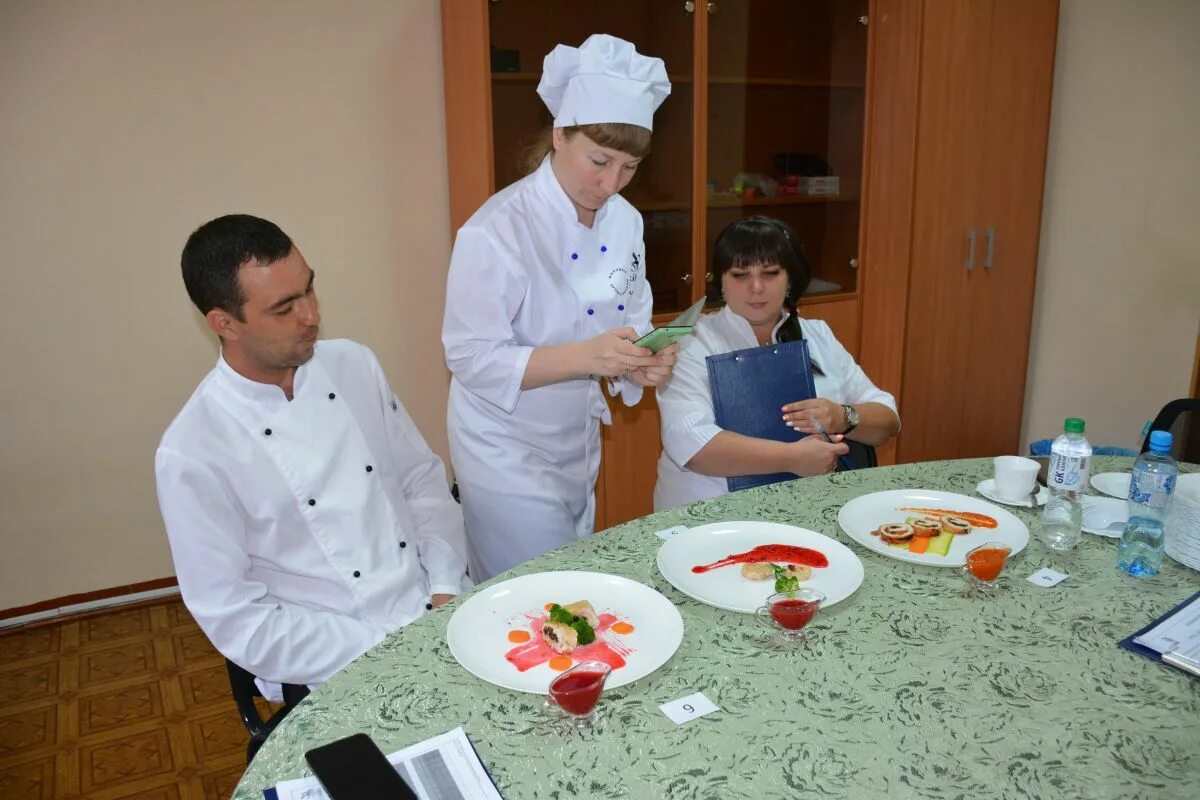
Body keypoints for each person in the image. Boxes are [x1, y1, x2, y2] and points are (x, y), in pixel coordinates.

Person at [156, 214, 470, 700]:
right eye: (284, 308)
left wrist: (445, 589)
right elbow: (236, 616)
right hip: (327, 660)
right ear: (224, 323)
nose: (311, 315)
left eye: (309, 290)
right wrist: (386, 647)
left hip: (431, 611)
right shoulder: (193, 450)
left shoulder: (353, 364)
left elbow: (421, 483)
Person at [443, 34, 677, 580]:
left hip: (576, 434)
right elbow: (472, 358)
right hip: (503, 443)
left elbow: (632, 319)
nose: (610, 183)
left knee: (571, 573)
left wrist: (646, 359)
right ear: (559, 134)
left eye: (629, 167)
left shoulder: (626, 220)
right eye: (599, 160)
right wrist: (589, 358)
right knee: (537, 587)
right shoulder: (497, 229)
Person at [654, 216, 901, 510]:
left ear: (790, 279)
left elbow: (888, 420)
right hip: (708, 514)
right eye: (740, 275)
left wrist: (843, 416)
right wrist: (794, 458)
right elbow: (692, 445)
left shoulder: (817, 334)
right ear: (720, 281)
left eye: (770, 273)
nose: (756, 287)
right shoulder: (689, 342)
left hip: (806, 509)